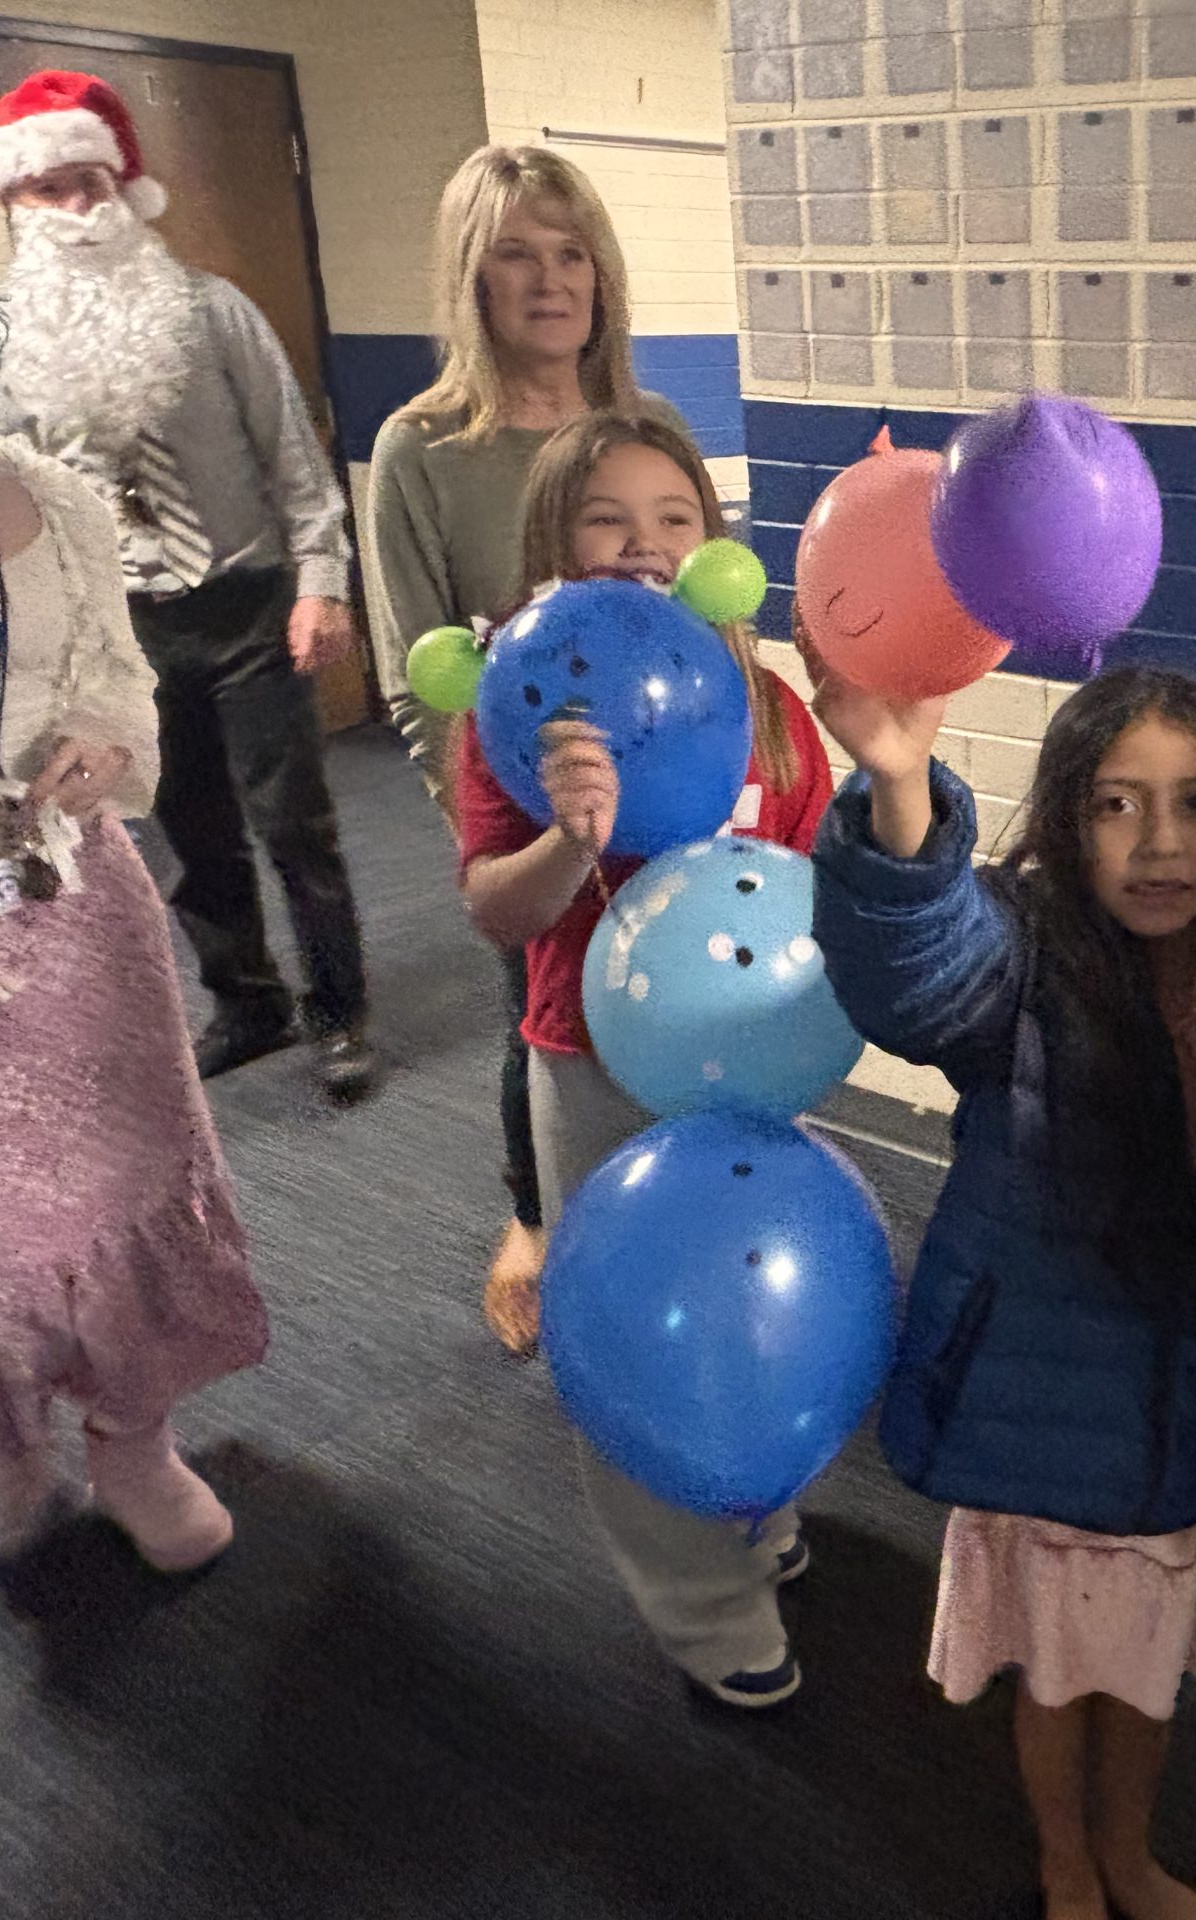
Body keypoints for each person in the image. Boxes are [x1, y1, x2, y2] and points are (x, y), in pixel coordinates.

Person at [810, 663, 1196, 1920]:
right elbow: (917, 974)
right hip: (1038, 1410)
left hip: (1189, 1415)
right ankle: (1061, 1858)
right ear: (1067, 819)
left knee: (1145, 1678)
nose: (1161, 844)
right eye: (1116, 806)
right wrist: (894, 789)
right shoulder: (1021, 950)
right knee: (1052, 1677)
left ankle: (1128, 1849)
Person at [0, 175, 264, 1573]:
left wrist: (100, 747)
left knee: (144, 1180)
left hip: (81, 902)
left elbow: (121, 688)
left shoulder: (63, 506)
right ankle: (8, 1439)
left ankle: (134, 1446)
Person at [454, 410, 830, 1706]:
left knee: (768, 1306)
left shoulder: (768, 710)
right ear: (554, 546)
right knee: (639, 1336)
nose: (645, 546)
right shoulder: (523, 706)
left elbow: (812, 888)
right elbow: (494, 911)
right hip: (597, 1071)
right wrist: (572, 833)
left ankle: (755, 1498)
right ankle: (698, 1601)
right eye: (606, 520)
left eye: (675, 517)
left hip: (761, 1073)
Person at [0, 69, 373, 1097]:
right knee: (189, 832)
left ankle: (338, 1012)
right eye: (44, 189)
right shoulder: (3, 356)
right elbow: (10, 511)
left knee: (293, 825)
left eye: (86, 184)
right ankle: (248, 1004)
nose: (71, 208)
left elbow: (294, 458)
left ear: (123, 190)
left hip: (248, 606)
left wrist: (322, 581)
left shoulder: (211, 310)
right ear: (12, 205)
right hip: (125, 631)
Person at [360, 144, 687, 1354]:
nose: (550, 282)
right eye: (515, 256)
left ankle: (678, 1203)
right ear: (471, 278)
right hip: (524, 805)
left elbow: (693, 615)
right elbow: (414, 676)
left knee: (661, 1006)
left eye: (570, 254)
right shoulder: (423, 447)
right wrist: (494, 844)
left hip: (666, 790)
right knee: (540, 1015)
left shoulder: (642, 428)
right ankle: (534, 1216)